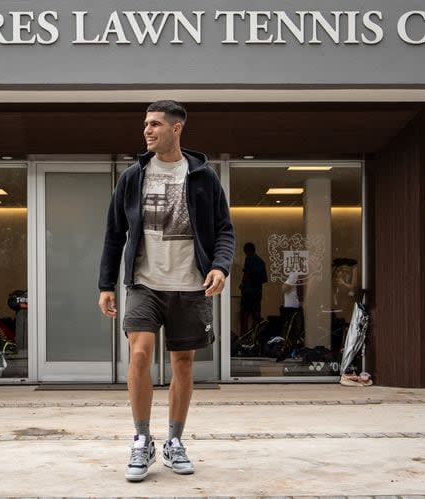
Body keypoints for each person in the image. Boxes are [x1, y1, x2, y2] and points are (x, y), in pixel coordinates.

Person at [98, 100, 234, 482]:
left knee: (183, 364)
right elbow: (114, 233)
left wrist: (220, 267)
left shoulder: (204, 176)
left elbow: (224, 229)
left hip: (190, 286)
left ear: (177, 129)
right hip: (145, 283)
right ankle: (142, 439)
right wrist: (106, 284)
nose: (147, 130)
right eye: (145, 124)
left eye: (155, 124)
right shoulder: (132, 176)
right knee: (139, 354)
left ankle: (174, 441)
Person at [239, 242, 267, 336]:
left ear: (247, 250)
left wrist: (243, 284)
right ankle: (258, 335)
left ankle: (244, 335)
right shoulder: (261, 261)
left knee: (244, 314)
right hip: (258, 291)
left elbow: (246, 273)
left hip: (248, 292)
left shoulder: (249, 258)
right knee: (257, 314)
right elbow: (264, 279)